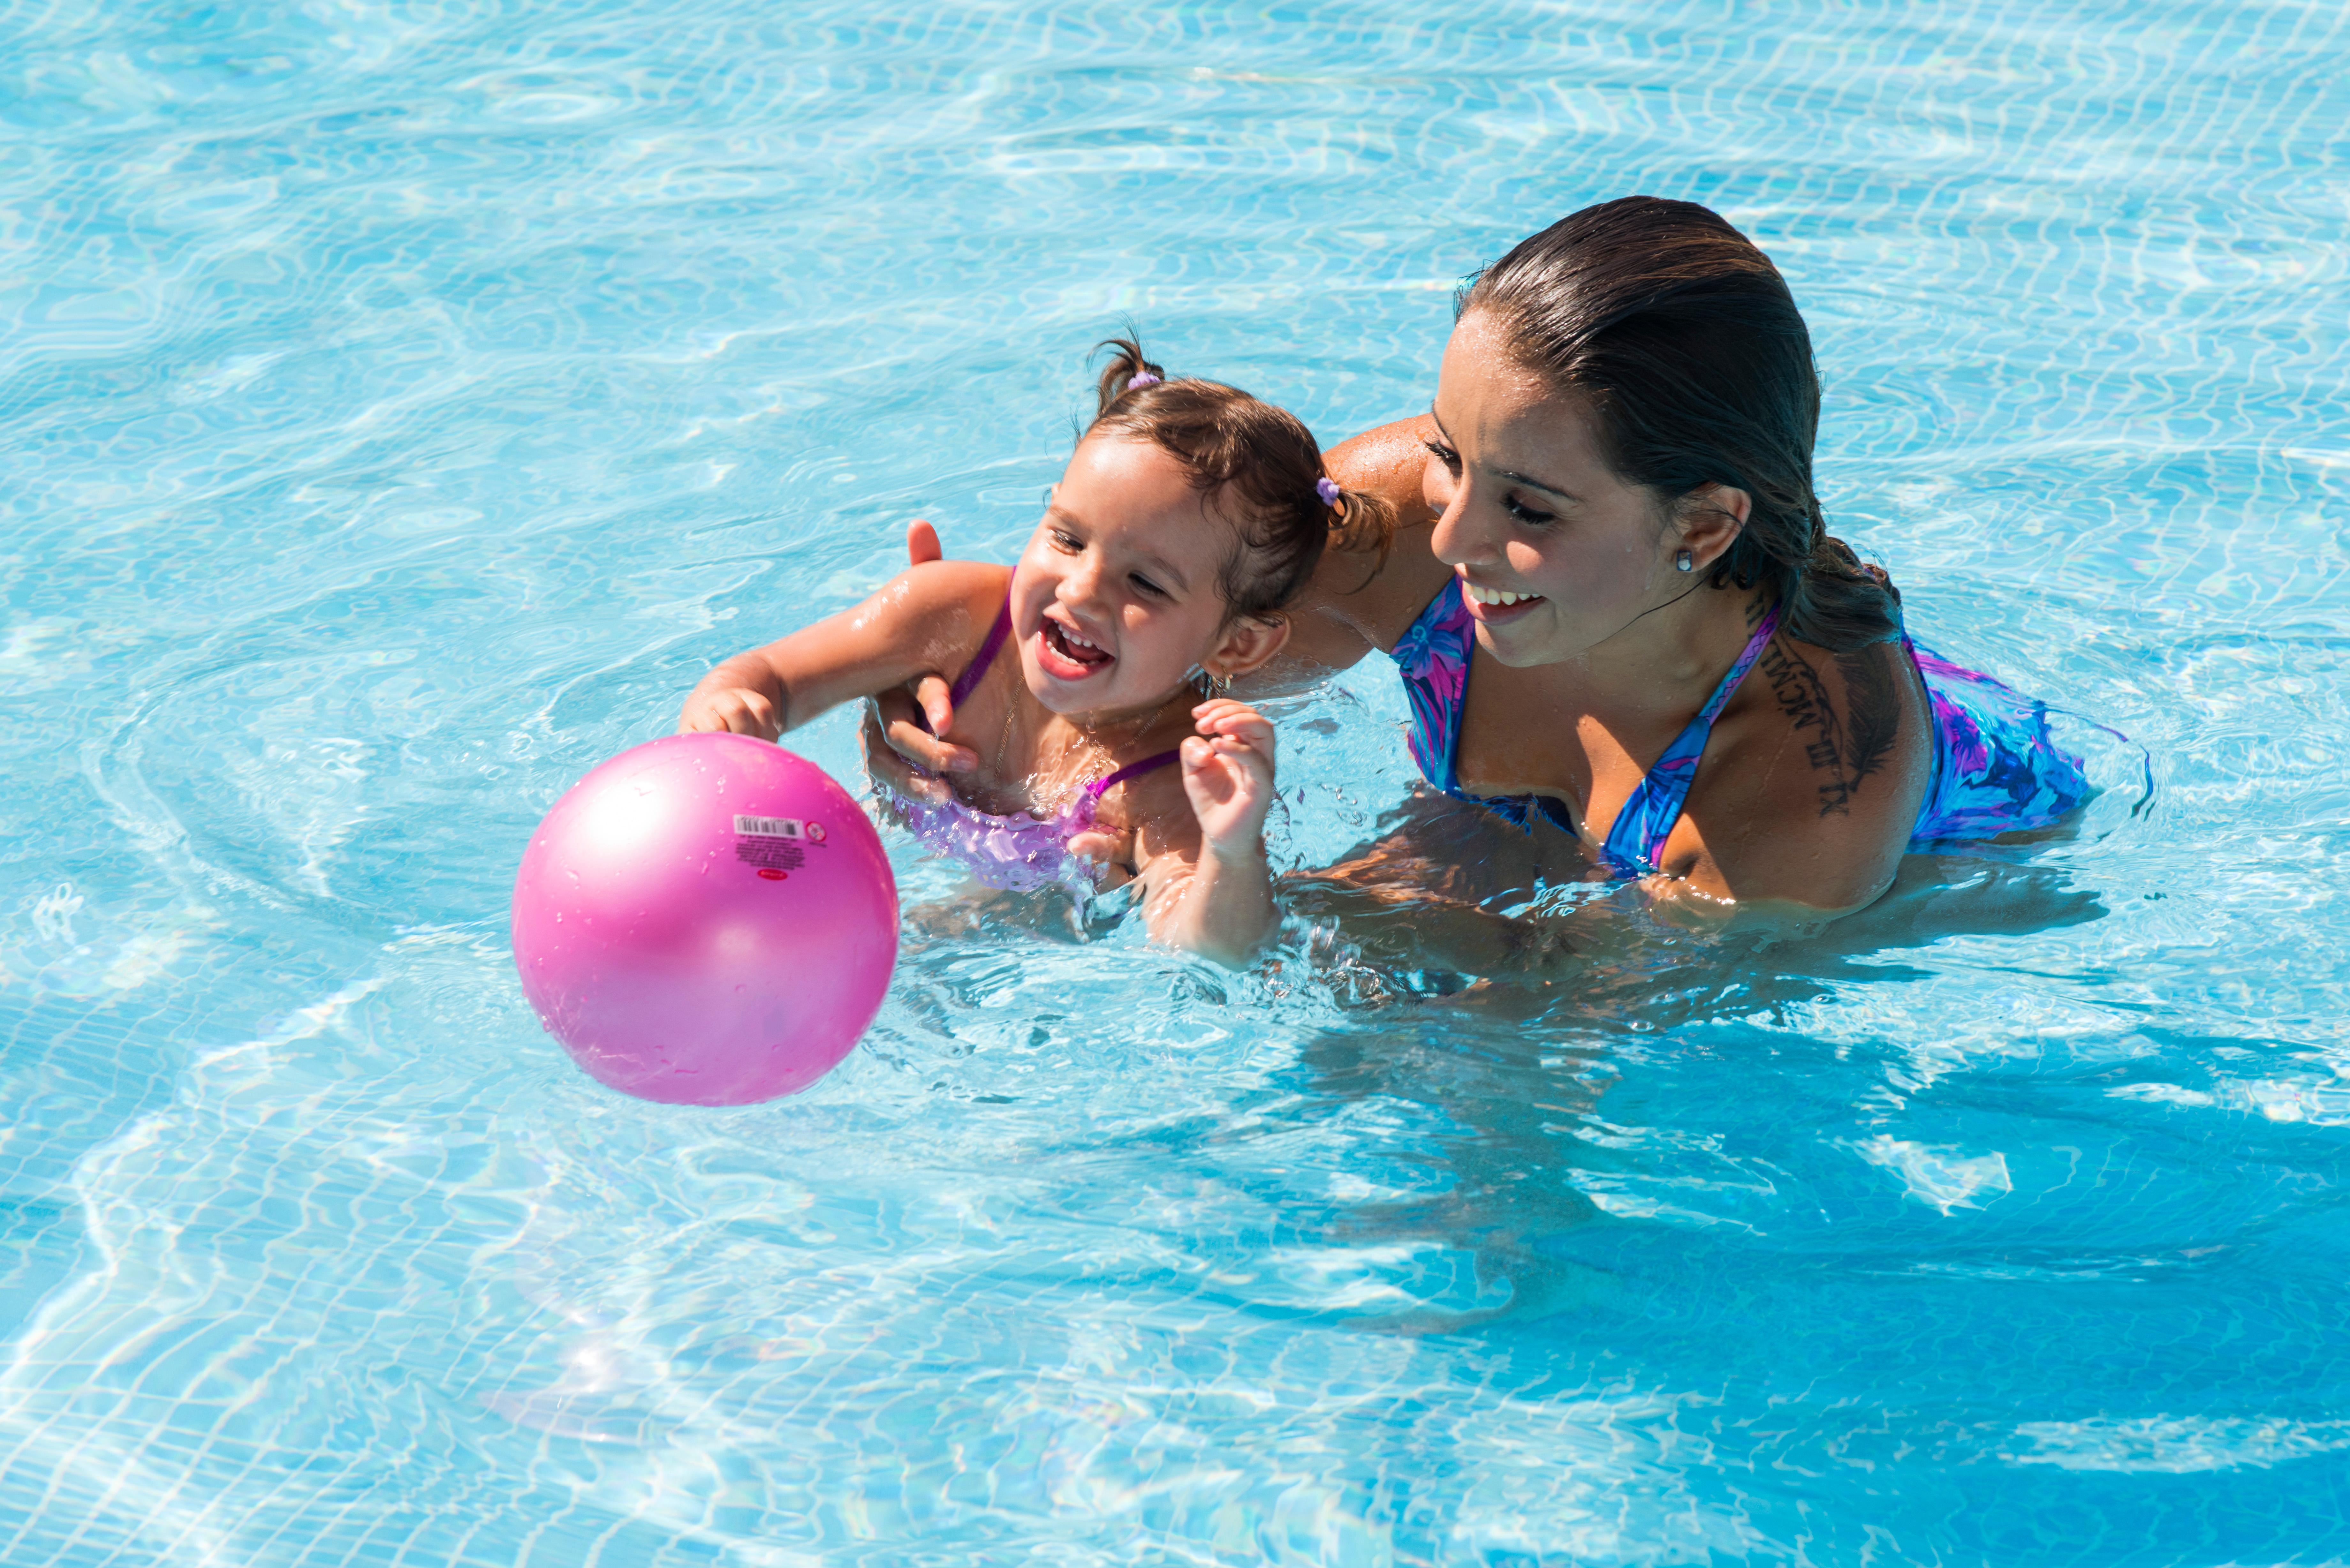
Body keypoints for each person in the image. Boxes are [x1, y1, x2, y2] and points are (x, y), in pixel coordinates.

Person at [866, 199, 2092, 940]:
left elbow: (1581, 1046)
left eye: (1531, 503)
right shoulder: (1410, 515)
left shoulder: (1803, 804)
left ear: (1706, 525)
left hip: (1954, 878)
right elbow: (1164, 651)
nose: (1447, 543)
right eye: (1458, 453)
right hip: (1511, 824)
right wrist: (982, 697)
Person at [678, 340, 1391, 968]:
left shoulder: (1164, 783)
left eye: (1143, 582)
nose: (1081, 590)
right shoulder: (952, 617)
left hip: (1022, 938)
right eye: (1067, 538)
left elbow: (1205, 947)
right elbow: (770, 676)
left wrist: (1233, 851)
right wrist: (732, 711)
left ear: (1236, 642)